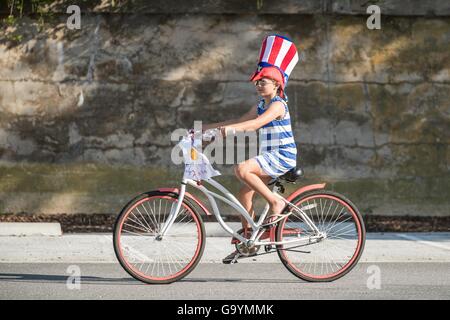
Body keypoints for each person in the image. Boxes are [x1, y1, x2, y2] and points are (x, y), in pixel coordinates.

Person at [203, 35, 299, 263]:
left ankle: (276, 202)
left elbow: (254, 124)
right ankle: (250, 239)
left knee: (242, 169)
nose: (258, 85)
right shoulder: (261, 104)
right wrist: (202, 129)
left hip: (282, 156)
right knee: (244, 193)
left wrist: (228, 132)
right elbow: (239, 119)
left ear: (276, 84)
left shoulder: (277, 105)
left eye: (263, 81)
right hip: (270, 156)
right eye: (257, 81)